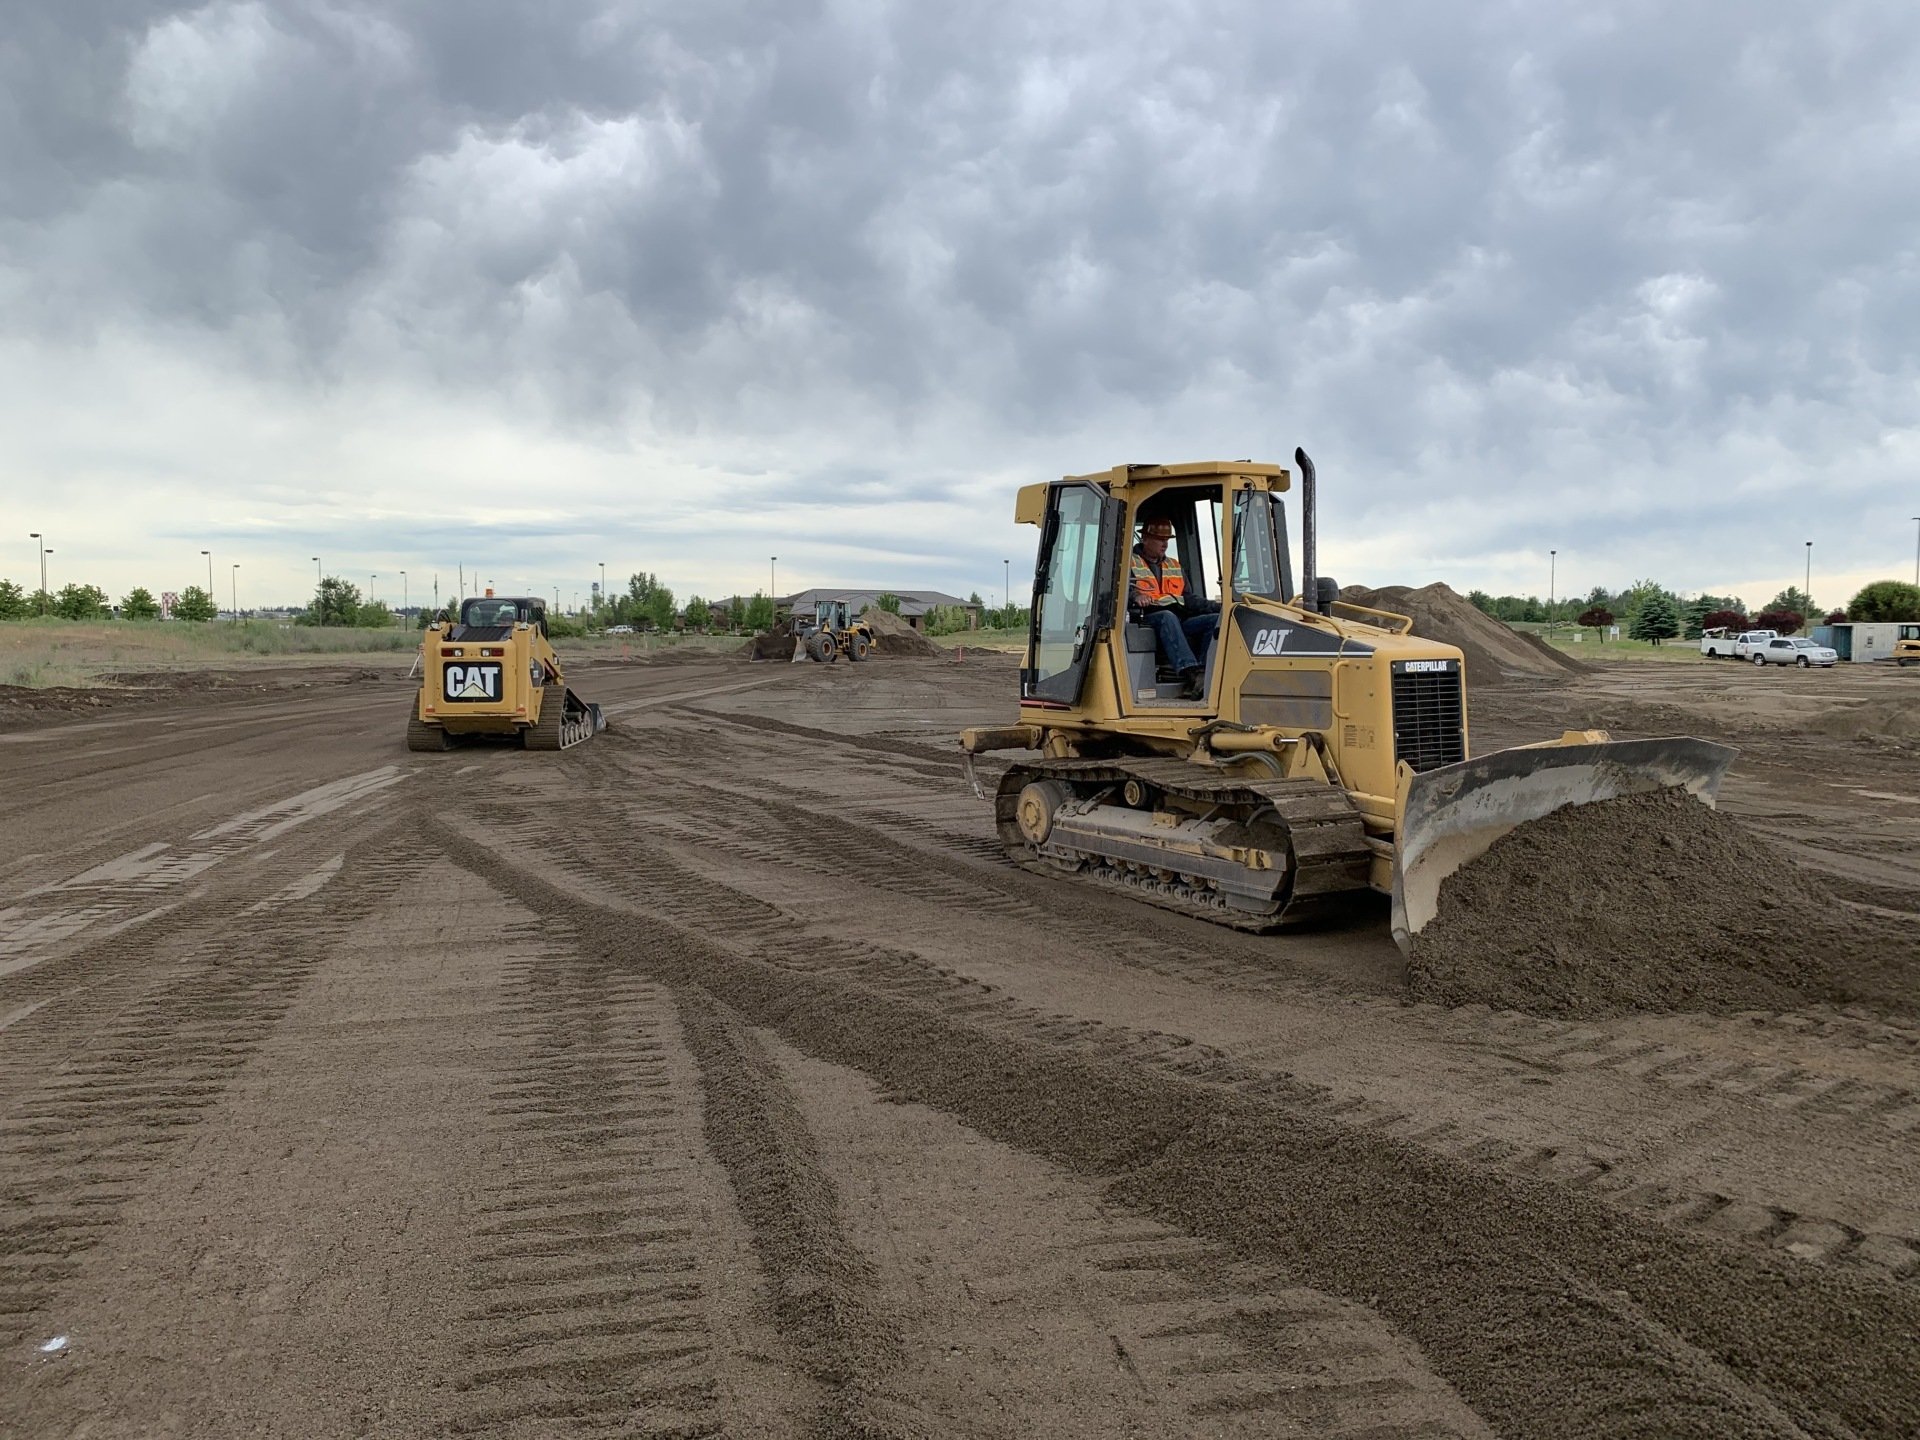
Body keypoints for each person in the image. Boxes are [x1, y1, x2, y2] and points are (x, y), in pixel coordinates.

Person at [1130, 515, 1219, 699]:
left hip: (1177, 620)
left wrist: (1217, 607)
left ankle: (1203, 672)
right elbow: (1119, 590)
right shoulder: (1129, 563)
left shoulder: (1174, 566)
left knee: (1214, 620)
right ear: (1145, 538)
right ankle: (1190, 671)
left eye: (1167, 540)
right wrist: (1136, 596)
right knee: (1166, 617)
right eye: (1160, 539)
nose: (1165, 544)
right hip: (1146, 617)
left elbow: (1187, 599)